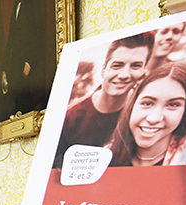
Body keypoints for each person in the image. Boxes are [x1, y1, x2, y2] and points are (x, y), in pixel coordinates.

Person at [52, 32, 154, 168]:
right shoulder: (70, 118)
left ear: (143, 72)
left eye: (135, 66)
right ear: (104, 69)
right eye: (117, 65)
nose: (124, 75)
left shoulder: (144, 116)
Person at [106, 63, 186, 166]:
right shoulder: (104, 159)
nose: (154, 118)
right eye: (147, 103)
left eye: (173, 105)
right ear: (133, 104)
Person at [0, 0, 57, 122]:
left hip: (29, 61)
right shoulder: (16, 5)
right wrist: (4, 68)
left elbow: (37, 34)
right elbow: (12, 38)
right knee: (16, 100)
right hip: (14, 61)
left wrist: (29, 62)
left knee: (29, 99)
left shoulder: (34, 3)